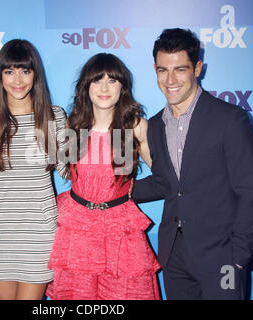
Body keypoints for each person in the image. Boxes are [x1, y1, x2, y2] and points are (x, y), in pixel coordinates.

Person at [132, 28, 253, 299]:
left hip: (222, 258)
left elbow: (251, 193)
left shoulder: (230, 119)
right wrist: (114, 191)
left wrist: (238, 258)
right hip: (173, 255)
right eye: (162, 70)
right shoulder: (155, 125)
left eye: (180, 69)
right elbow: (165, 184)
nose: (170, 80)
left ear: (198, 68)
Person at [47, 53, 161, 300]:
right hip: (77, 230)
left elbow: (164, 177)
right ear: (86, 87)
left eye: (112, 80)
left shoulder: (134, 127)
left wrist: (132, 190)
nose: (105, 88)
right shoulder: (73, 127)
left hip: (120, 233)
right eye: (97, 80)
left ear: (123, 87)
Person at [0, 39, 68, 300]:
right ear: (0, 76)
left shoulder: (52, 116)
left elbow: (68, 170)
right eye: (9, 71)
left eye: (25, 71)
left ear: (35, 74)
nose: (18, 79)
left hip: (39, 235)